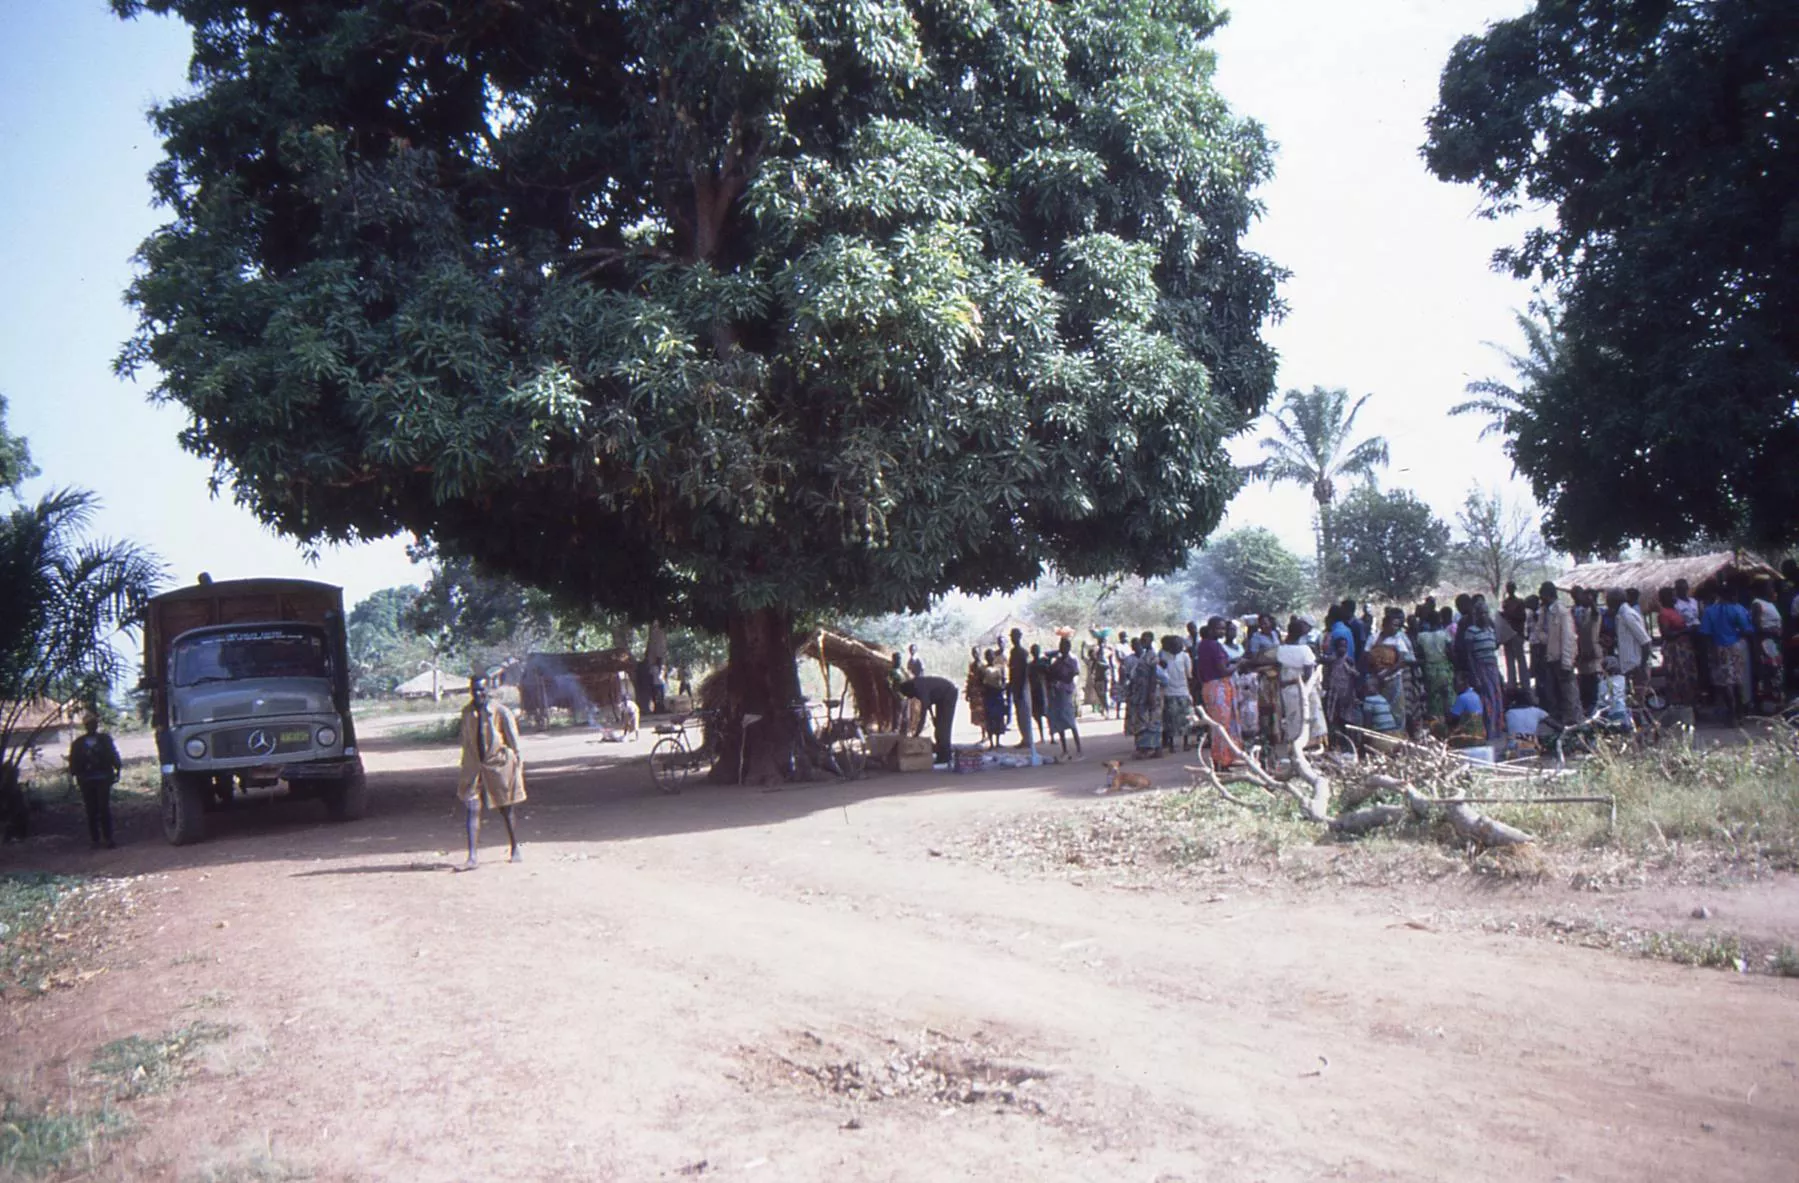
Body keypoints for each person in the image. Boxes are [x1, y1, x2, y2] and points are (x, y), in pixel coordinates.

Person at [457, 675, 526, 870]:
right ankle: (472, 856)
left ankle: (514, 847)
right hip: (474, 767)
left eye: (482, 690)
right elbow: (466, 741)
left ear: (489, 690)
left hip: (498, 765)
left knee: (506, 808)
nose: (478, 694)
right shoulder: (467, 713)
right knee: (472, 808)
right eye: (474, 690)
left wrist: (516, 767)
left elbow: (514, 742)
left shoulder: (501, 712)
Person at [1698, 580, 1751, 723]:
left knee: (1725, 682)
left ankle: (1731, 713)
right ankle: (1740, 713)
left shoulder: (1710, 611)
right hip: (1735, 646)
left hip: (1717, 648)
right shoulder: (1738, 609)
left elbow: (1704, 633)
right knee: (1738, 679)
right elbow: (1747, 629)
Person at [68, 712, 123, 850]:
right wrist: (77, 774)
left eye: (94, 724)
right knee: (91, 809)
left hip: (103, 777)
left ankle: (108, 838)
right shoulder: (78, 744)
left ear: (97, 725)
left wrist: (117, 768)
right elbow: (73, 762)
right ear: (85, 726)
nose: (92, 726)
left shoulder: (105, 740)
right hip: (86, 780)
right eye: (89, 724)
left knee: (104, 808)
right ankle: (95, 839)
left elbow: (113, 754)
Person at [1193, 619, 1238, 768]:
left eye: (1223, 629)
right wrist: (1240, 664)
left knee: (1219, 725)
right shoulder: (1214, 645)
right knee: (1222, 725)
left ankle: (1223, 758)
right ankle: (1221, 760)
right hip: (1218, 686)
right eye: (1219, 629)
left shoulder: (1203, 645)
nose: (1222, 632)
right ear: (1211, 629)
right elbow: (1223, 670)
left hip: (1210, 686)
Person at [1462, 600, 1506, 743]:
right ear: (1476, 615)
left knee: (1497, 700)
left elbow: (1494, 651)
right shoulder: (1471, 631)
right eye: (1481, 613)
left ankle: (1497, 731)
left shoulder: (1490, 631)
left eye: (1486, 613)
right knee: (1486, 701)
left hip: (1493, 668)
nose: (1484, 616)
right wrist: (1475, 675)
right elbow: (1468, 655)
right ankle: (1487, 732)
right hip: (1481, 669)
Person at [1539, 582, 1582, 727]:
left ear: (1547, 595)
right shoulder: (1545, 612)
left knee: (1569, 695)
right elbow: (1542, 635)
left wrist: (1567, 661)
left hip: (1561, 659)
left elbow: (1568, 637)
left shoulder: (1562, 612)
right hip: (1550, 659)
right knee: (1555, 695)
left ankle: (1575, 725)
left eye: (1542, 595)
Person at [898, 675, 959, 765]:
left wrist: (917, 734)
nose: (911, 698)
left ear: (910, 691)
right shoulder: (916, 685)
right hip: (942, 697)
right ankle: (942, 754)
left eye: (909, 696)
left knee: (944, 727)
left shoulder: (919, 689)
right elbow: (928, 704)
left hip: (949, 693)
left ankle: (946, 755)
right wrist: (934, 717)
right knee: (939, 726)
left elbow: (922, 716)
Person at [1654, 587, 1698, 707]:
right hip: (1675, 649)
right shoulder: (1664, 614)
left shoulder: (1676, 610)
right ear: (1664, 598)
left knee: (1688, 677)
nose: (1674, 598)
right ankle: (1680, 706)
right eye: (1671, 596)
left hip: (1684, 648)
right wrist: (1685, 631)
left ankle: (1689, 705)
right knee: (1678, 677)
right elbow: (1666, 634)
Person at [1127, 631, 1165, 759]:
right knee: (1146, 720)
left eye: (1145, 640)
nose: (1143, 642)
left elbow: (1153, 676)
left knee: (1150, 720)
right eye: (1142, 639)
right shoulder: (1144, 655)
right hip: (1141, 692)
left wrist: (1151, 693)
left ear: (1151, 641)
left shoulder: (1152, 655)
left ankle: (1150, 749)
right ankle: (1150, 748)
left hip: (1148, 691)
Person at [1750, 577, 1785, 715]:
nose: (1772, 589)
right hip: (1765, 644)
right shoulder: (1757, 604)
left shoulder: (1771, 603)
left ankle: (1775, 705)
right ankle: (1764, 707)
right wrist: (1772, 632)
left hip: (1774, 644)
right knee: (1767, 674)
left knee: (1775, 674)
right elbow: (1756, 627)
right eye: (1770, 586)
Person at [1612, 588, 1653, 697]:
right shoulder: (1621, 615)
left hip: (1636, 667)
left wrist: (1642, 667)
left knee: (1638, 703)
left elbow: (1645, 642)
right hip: (1629, 667)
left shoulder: (1628, 615)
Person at [1046, 638, 1083, 757]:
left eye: (1065, 646)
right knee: (1060, 722)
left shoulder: (1072, 661)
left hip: (1067, 693)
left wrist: (1064, 684)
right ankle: (1065, 749)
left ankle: (1078, 748)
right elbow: (1050, 673)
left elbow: (1073, 676)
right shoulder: (1057, 662)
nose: (1063, 648)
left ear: (1069, 647)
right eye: (1061, 646)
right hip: (1058, 694)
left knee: (1070, 721)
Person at [1415, 610, 1453, 722]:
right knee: (1447, 696)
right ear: (1440, 620)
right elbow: (1450, 652)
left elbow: (1419, 654)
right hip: (1444, 668)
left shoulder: (1421, 636)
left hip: (1429, 669)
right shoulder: (1444, 634)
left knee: (1432, 697)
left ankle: (1436, 723)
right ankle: (1449, 721)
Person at [1160, 635, 1194, 754]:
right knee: (1171, 721)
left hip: (1183, 691)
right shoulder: (1163, 656)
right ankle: (1172, 744)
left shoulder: (1185, 656)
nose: (1178, 647)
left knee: (1185, 719)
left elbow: (1189, 675)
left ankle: (1184, 742)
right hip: (1170, 692)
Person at [1503, 687, 1553, 757]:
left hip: (1512, 750)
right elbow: (1554, 724)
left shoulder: (1509, 713)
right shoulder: (1537, 711)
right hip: (1532, 748)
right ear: (1529, 699)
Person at [1007, 629, 1033, 748]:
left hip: (1022, 686)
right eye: (1012, 636)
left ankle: (1028, 739)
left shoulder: (1023, 653)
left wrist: (1022, 688)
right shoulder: (1013, 652)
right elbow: (1012, 670)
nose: (1013, 639)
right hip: (1015, 686)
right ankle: (1024, 738)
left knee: (1025, 712)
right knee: (1019, 713)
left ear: (1019, 637)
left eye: (1015, 636)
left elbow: (1024, 671)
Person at [1500, 581, 1529, 688]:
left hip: (1517, 634)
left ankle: (1525, 684)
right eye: (1508, 588)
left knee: (1521, 661)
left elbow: (1523, 617)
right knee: (1510, 662)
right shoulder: (1505, 603)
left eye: (1511, 587)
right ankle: (1512, 685)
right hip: (1507, 635)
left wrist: (1509, 614)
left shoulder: (1520, 602)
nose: (1510, 590)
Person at [1594, 657, 1633, 731]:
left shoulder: (1601, 683)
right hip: (1622, 712)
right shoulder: (1623, 679)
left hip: (1607, 714)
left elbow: (1602, 701)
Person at [980, 649, 1009, 748]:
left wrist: (1003, 688)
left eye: (991, 655)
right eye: (988, 656)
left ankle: (997, 741)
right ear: (985, 658)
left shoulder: (1000, 668)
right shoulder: (983, 669)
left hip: (998, 695)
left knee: (999, 718)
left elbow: (1004, 680)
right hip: (989, 696)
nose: (990, 658)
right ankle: (991, 742)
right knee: (990, 718)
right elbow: (980, 682)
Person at [964, 646, 987, 735]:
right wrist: (968, 693)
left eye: (977, 652)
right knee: (977, 714)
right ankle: (983, 734)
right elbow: (969, 680)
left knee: (983, 714)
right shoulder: (972, 666)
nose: (975, 655)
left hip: (981, 693)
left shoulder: (983, 666)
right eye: (974, 653)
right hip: (974, 693)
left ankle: (986, 733)